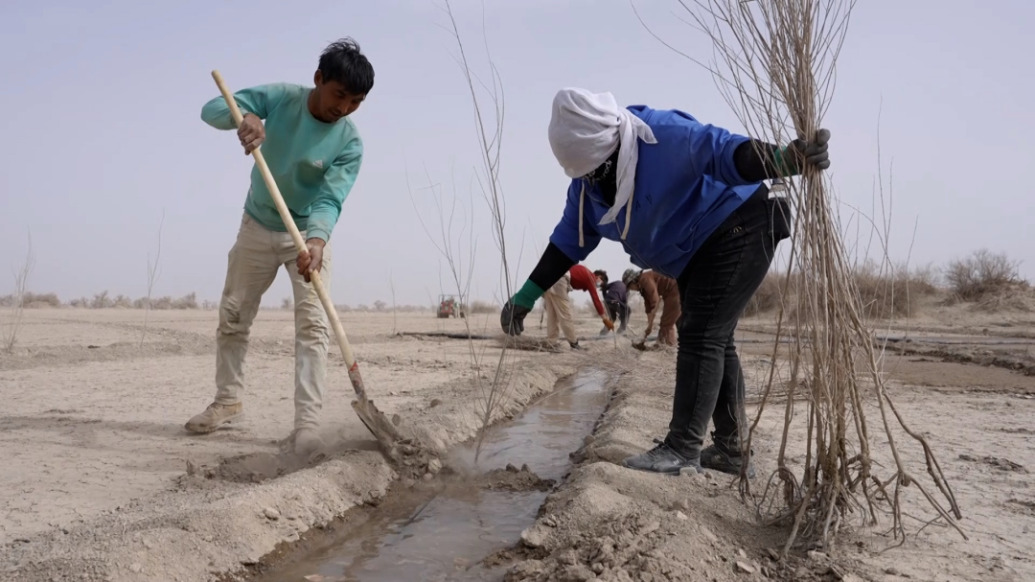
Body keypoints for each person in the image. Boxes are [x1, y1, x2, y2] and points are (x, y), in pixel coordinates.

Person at [501, 88, 829, 476]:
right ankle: (732, 449)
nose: (594, 180)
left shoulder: (662, 136)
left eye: (598, 170)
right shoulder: (586, 191)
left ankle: (682, 448)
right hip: (693, 250)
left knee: (701, 333)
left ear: (612, 146)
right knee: (716, 338)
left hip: (739, 221)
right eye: (584, 174)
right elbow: (564, 245)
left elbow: (727, 152)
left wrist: (781, 159)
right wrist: (525, 296)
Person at [184, 38, 374, 457]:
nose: (344, 108)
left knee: (314, 328)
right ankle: (227, 400)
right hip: (257, 224)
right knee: (233, 315)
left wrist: (317, 241)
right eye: (339, 95)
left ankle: (307, 426)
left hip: (306, 236)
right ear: (318, 79)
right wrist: (246, 117)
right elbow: (211, 109)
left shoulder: (350, 143)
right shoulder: (282, 98)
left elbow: (330, 199)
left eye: (356, 102)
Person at [623, 268, 680, 346]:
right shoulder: (642, 288)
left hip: (675, 289)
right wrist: (649, 326)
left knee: (666, 322)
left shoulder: (644, 279)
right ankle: (663, 343)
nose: (631, 289)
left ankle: (667, 345)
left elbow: (655, 300)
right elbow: (648, 307)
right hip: (668, 294)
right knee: (672, 319)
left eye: (630, 287)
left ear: (633, 281)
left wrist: (651, 321)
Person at [594, 269, 629, 335]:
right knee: (628, 310)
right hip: (615, 301)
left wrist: (606, 300)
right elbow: (625, 303)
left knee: (612, 318)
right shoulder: (626, 289)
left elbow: (604, 287)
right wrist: (622, 315)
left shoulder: (617, 282)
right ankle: (621, 331)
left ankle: (603, 334)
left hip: (608, 301)